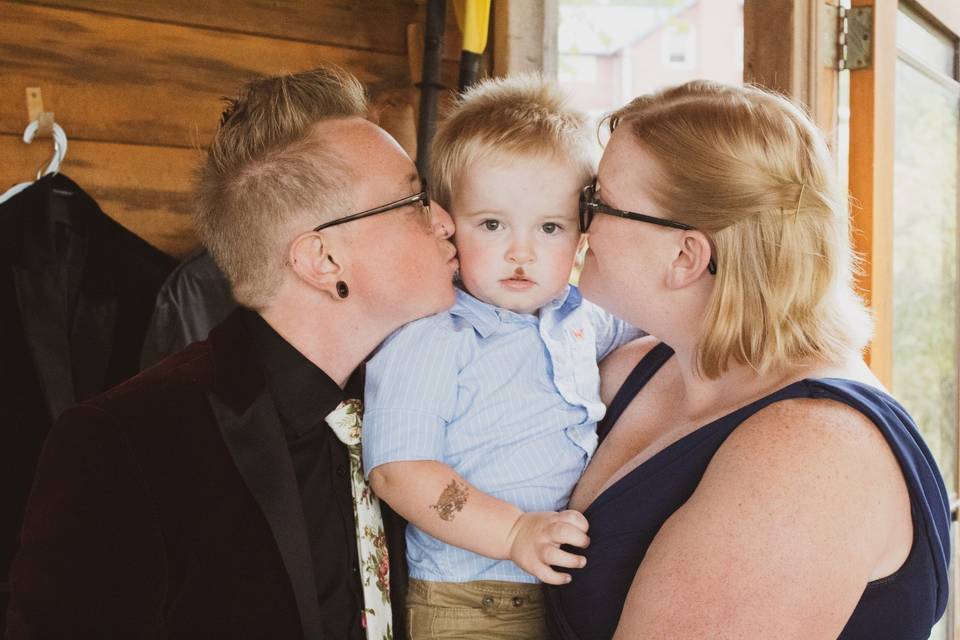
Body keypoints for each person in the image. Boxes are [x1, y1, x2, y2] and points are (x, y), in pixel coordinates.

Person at [6, 64, 458, 640]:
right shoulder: (125, 444)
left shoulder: (426, 399)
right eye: (414, 198)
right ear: (321, 260)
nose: (443, 220)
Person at [545, 80, 951, 639]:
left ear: (685, 255)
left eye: (597, 201)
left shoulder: (814, 454)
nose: (576, 220)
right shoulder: (634, 370)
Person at [361, 75, 642, 639]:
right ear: (446, 226)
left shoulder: (580, 318)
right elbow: (399, 471)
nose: (522, 251)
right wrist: (514, 532)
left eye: (550, 227)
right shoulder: (435, 337)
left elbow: (660, 320)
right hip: (467, 602)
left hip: (564, 593)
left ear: (582, 236)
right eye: (492, 224)